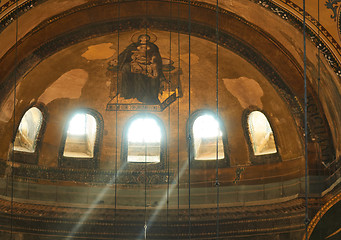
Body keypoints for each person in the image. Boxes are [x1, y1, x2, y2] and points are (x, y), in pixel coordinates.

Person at [111, 34, 166, 104]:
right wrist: (118, 60)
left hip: (147, 64)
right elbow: (125, 55)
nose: (143, 39)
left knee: (142, 72)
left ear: (148, 39)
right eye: (142, 37)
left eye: (145, 38)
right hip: (135, 63)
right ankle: (127, 93)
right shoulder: (132, 46)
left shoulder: (153, 47)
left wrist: (151, 60)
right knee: (125, 68)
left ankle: (143, 95)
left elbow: (156, 57)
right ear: (139, 39)